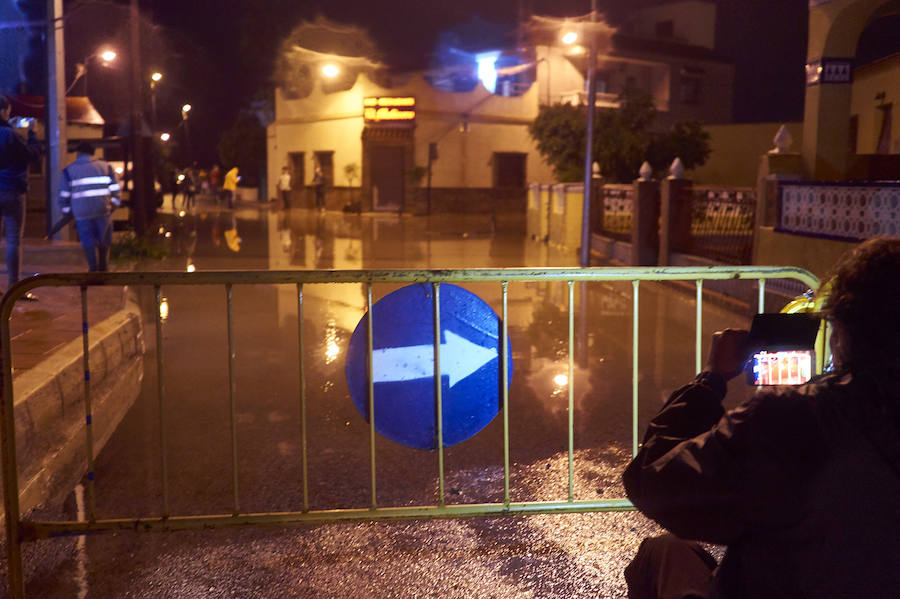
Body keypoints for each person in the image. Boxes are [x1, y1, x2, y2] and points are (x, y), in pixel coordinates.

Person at [622, 237, 900, 599]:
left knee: (660, 554)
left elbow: (655, 483)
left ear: (843, 328)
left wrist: (711, 380)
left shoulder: (795, 418)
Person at [0, 95, 41, 299]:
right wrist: (32, 134)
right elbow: (32, 155)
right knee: (13, 240)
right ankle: (14, 287)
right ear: (4, 111)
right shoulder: (9, 134)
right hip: (12, 191)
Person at [59, 141, 121, 272]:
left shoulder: (69, 170)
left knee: (88, 241)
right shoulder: (106, 167)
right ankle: (104, 267)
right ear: (93, 153)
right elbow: (116, 189)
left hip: (81, 212)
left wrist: (68, 212)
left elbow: (64, 195)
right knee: (104, 240)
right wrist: (113, 205)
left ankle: (93, 267)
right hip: (103, 209)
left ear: (79, 153)